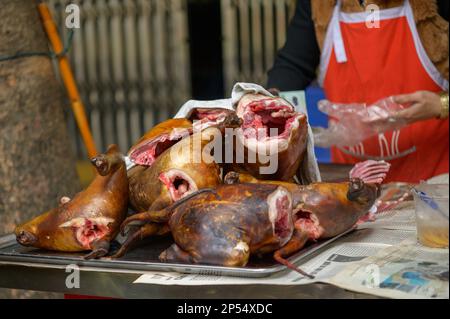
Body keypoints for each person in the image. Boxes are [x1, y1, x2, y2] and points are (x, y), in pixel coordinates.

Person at [267, 0, 449, 183]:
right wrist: (269, 106)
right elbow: (293, 66)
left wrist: (441, 104)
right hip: (354, 186)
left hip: (434, 184)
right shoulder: (319, 5)